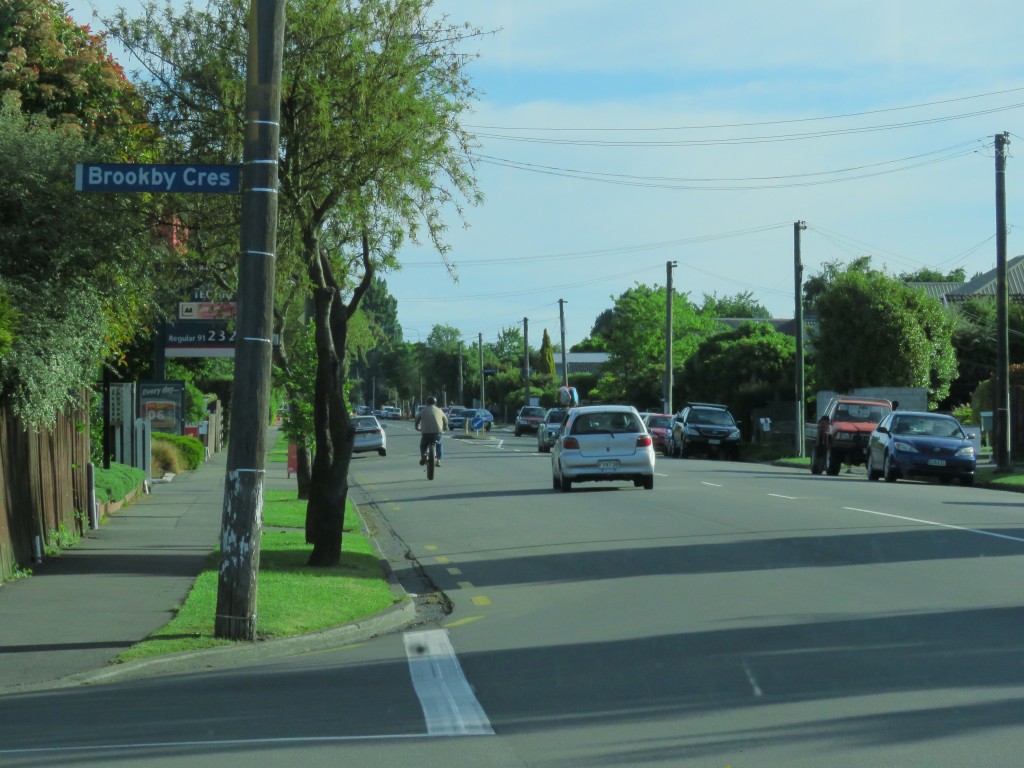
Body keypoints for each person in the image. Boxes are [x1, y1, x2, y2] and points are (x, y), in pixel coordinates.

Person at [415, 396, 448, 466]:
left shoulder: (423, 411)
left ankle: (424, 455)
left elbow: (417, 419)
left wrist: (417, 427)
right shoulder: (439, 410)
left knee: (423, 445)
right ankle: (438, 460)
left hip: (426, 433)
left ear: (427, 403)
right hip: (437, 433)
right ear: (435, 403)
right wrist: (445, 428)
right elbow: (445, 420)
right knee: (439, 444)